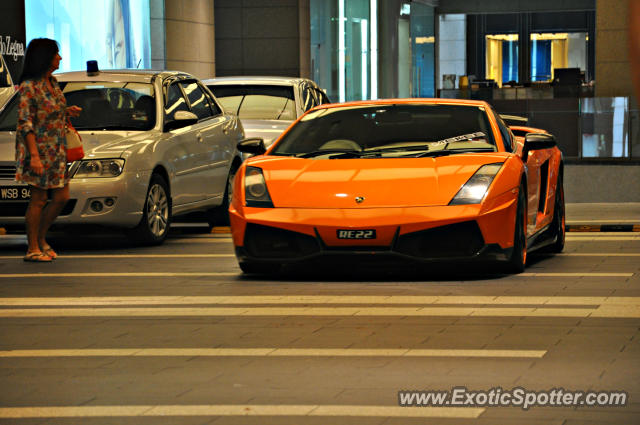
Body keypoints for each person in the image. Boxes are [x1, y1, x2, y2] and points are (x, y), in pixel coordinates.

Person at [14, 38, 81, 262]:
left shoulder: (52, 82)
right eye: (56, 54)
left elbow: (50, 111)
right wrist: (34, 156)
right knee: (39, 199)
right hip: (38, 151)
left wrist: (66, 110)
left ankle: (41, 239)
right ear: (45, 57)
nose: (60, 58)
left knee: (62, 196)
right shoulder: (29, 86)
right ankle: (32, 247)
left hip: (57, 150)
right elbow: (25, 123)